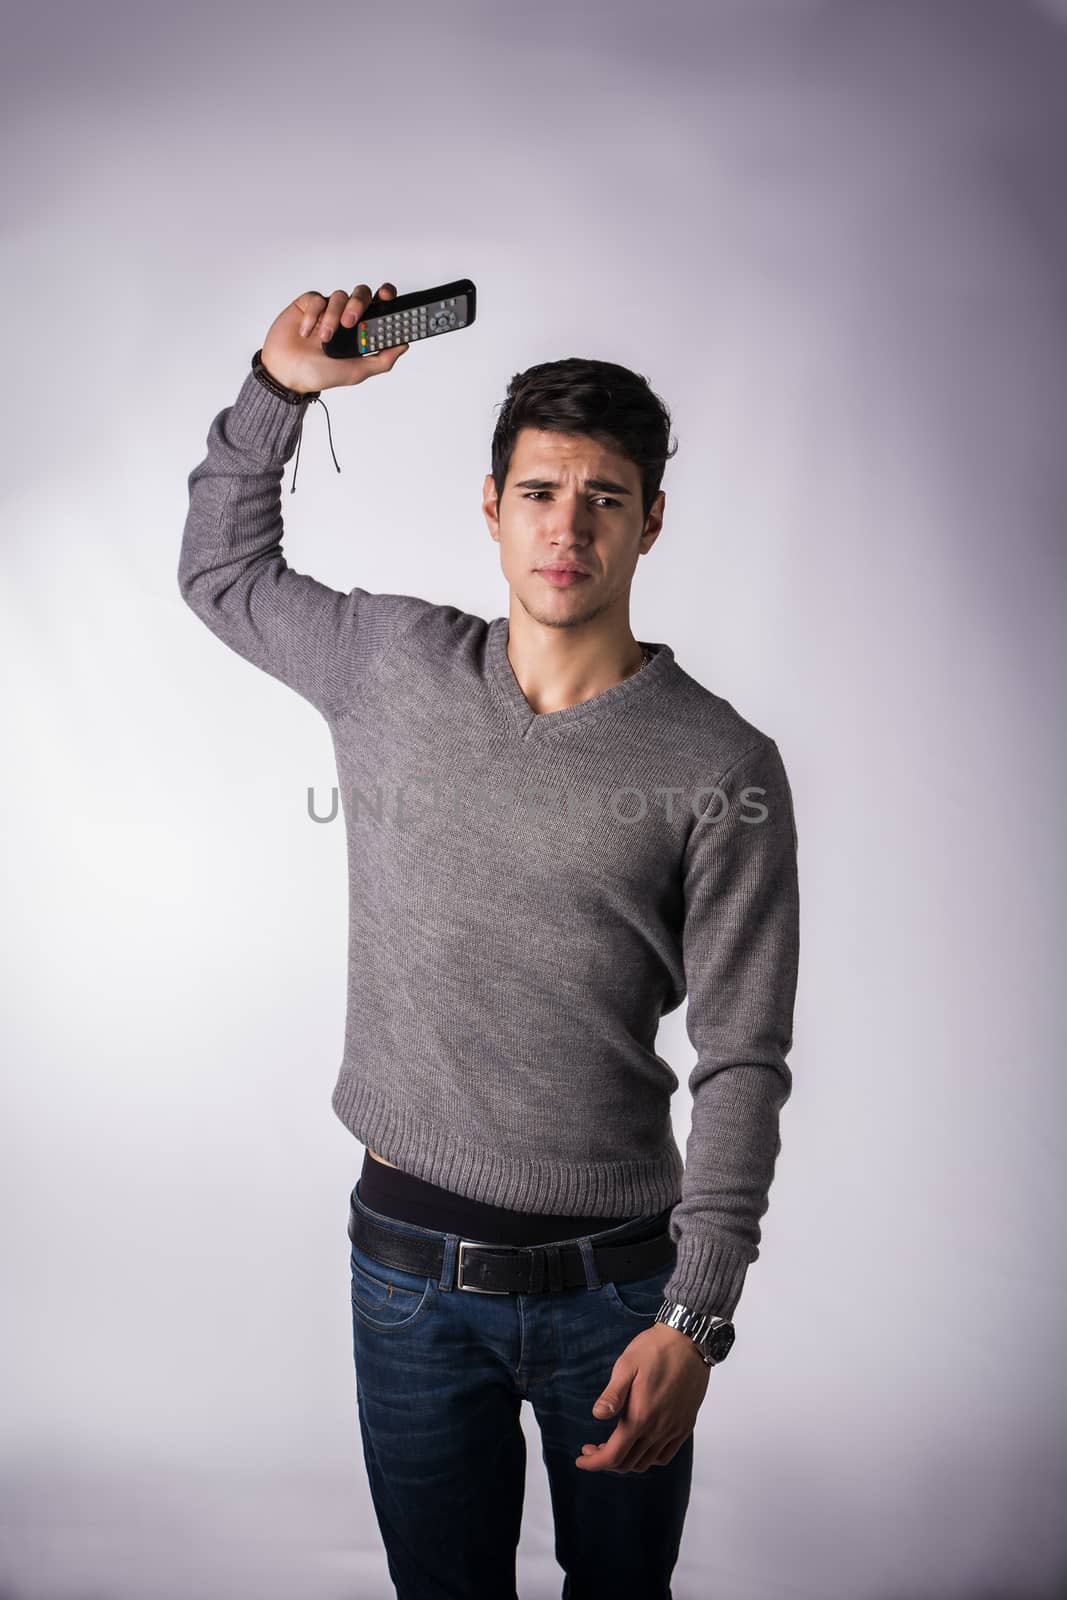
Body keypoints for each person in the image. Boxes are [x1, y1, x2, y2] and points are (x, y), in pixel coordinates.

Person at [178, 278, 801, 1600]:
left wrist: (699, 1315)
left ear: (651, 522)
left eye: (604, 498)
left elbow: (743, 1059)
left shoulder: (723, 764)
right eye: (539, 493)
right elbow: (223, 572)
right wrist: (280, 391)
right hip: (404, 1281)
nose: (567, 526)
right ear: (492, 507)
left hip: (619, 1295)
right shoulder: (392, 664)